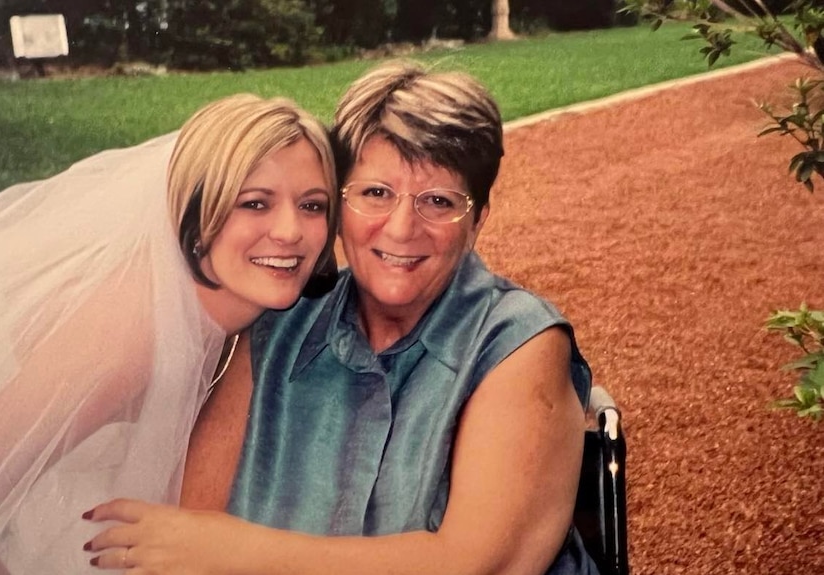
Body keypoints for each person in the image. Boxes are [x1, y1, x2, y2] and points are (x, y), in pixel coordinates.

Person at [84, 60, 598, 574]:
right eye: (375, 193)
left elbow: (475, 564)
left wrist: (237, 551)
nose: (401, 228)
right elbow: (193, 522)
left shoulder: (519, 342)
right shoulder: (279, 322)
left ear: (476, 222)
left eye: (438, 201)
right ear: (339, 206)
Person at [0, 93, 337, 574]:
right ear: (198, 217)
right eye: (255, 203)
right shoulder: (125, 334)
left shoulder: (236, 310)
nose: (289, 231)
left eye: (311, 205)